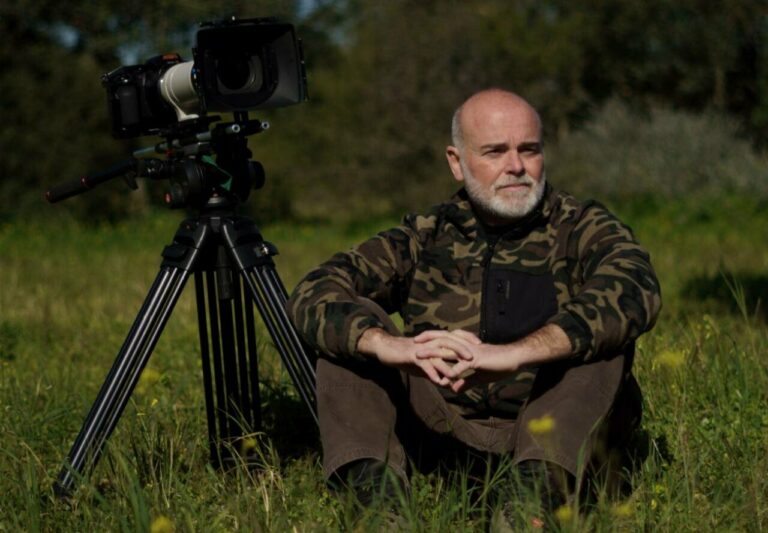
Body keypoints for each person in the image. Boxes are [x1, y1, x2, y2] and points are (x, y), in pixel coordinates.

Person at [286, 89, 661, 525]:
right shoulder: (425, 234)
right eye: (495, 152)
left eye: (529, 150)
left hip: (549, 425)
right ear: (456, 162)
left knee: (601, 344)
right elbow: (313, 290)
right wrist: (391, 346)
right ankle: (380, 503)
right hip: (440, 422)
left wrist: (514, 354)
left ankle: (531, 507)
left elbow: (635, 286)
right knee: (351, 337)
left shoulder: (579, 226)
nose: (516, 167)